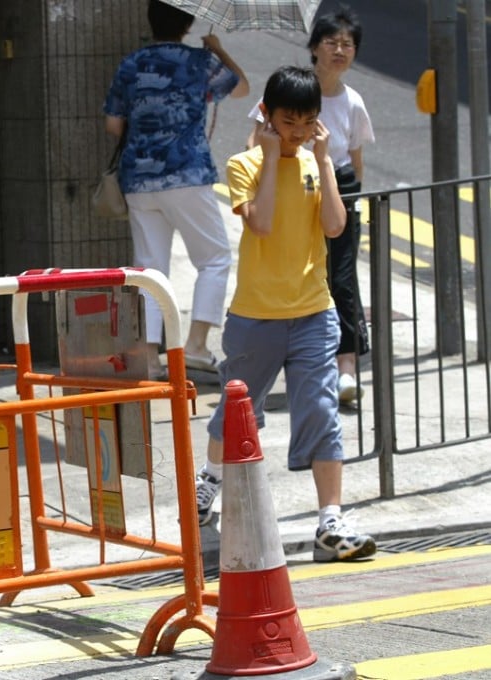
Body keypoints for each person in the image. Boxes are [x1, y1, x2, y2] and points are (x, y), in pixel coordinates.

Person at [194, 65, 375, 563]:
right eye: (288, 121)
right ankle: (209, 479)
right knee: (239, 411)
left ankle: (329, 521)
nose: (297, 131)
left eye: (307, 121)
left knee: (321, 412)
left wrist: (322, 158)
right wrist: (272, 156)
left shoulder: (319, 162)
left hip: (315, 313)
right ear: (268, 117)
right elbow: (265, 223)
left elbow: (336, 227)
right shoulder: (243, 166)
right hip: (256, 316)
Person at [103, 0, 249, 379]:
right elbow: (241, 88)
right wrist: (217, 49)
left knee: (150, 270)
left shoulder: (130, 64)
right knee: (214, 258)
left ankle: (149, 357)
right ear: (187, 23)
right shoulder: (199, 62)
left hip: (138, 179)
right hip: (186, 174)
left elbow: (114, 126)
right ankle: (196, 344)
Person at [247, 6, 373, 405]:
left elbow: (355, 159)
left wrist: (344, 197)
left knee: (342, 277)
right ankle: (292, 360)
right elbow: (255, 141)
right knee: (297, 271)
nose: (340, 50)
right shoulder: (292, 89)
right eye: (332, 42)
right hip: (291, 185)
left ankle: (346, 368)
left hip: (335, 187)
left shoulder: (353, 101)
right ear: (314, 47)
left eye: (348, 44)